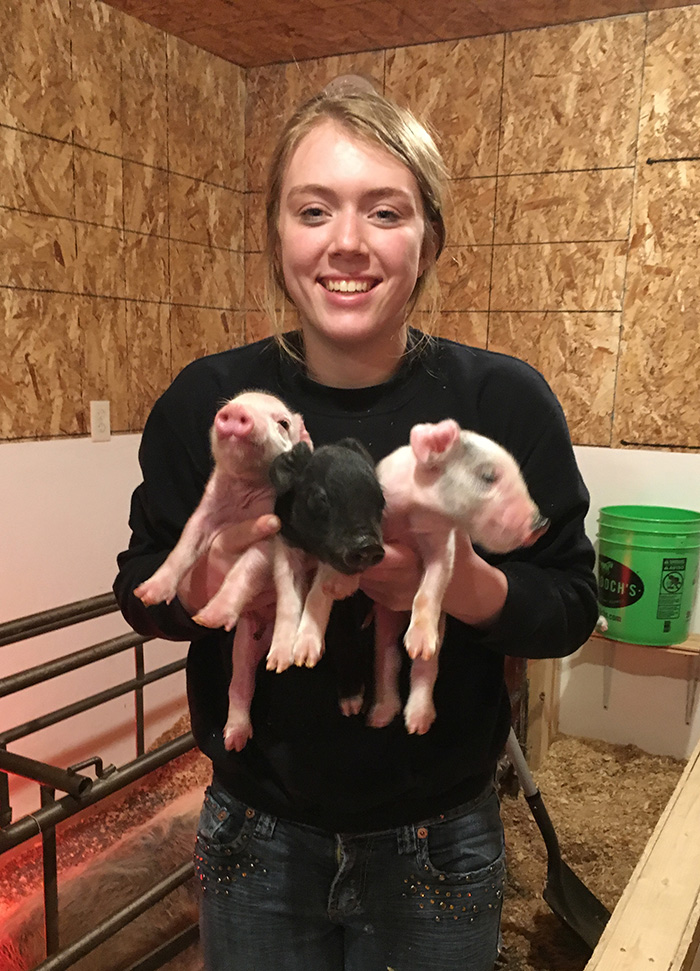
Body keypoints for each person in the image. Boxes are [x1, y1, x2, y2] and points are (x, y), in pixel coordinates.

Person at [114, 78, 598, 971]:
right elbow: (140, 587)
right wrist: (211, 574)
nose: (347, 243)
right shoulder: (209, 406)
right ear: (276, 237)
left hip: (438, 844)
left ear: (429, 240)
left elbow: (571, 602)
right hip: (255, 833)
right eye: (314, 210)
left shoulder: (499, 402)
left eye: (385, 211)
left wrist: (450, 584)